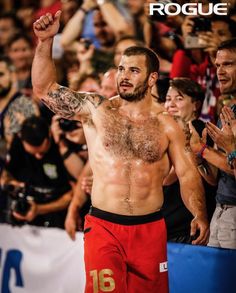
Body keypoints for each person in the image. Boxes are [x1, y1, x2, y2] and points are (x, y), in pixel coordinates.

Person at [32, 11, 209, 293]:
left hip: (150, 229)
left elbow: (188, 173)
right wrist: (45, 41)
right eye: (122, 69)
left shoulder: (169, 124)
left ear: (152, 78)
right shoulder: (96, 110)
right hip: (104, 226)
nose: (124, 77)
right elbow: (44, 90)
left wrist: (199, 213)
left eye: (134, 71)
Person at [190, 38, 236, 249]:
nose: (220, 71)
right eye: (218, 65)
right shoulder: (229, 110)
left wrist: (229, 149)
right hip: (221, 209)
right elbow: (214, 179)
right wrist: (199, 154)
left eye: (228, 64)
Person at [1, 115, 72, 228]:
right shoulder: (17, 144)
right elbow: (6, 175)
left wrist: (39, 209)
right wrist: (11, 184)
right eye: (33, 153)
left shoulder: (63, 146)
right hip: (25, 209)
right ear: (22, 140)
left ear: (49, 135)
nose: (38, 157)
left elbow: (74, 193)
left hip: (59, 215)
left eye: (42, 152)